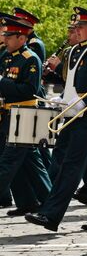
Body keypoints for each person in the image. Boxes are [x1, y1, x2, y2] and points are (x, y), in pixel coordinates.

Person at [26, 8, 87, 233]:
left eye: (81, 26)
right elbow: (73, 82)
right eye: (75, 26)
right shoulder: (77, 50)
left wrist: (85, 102)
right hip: (75, 114)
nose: (76, 30)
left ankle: (51, 215)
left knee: (71, 164)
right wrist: (64, 97)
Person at [0, 14, 51, 214]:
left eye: (10, 36)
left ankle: (49, 204)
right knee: (29, 163)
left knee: (8, 161)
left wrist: (2, 83)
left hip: (25, 115)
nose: (5, 39)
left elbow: (29, 90)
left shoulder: (31, 59)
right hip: (9, 114)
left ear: (22, 38)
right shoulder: (6, 56)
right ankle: (33, 202)